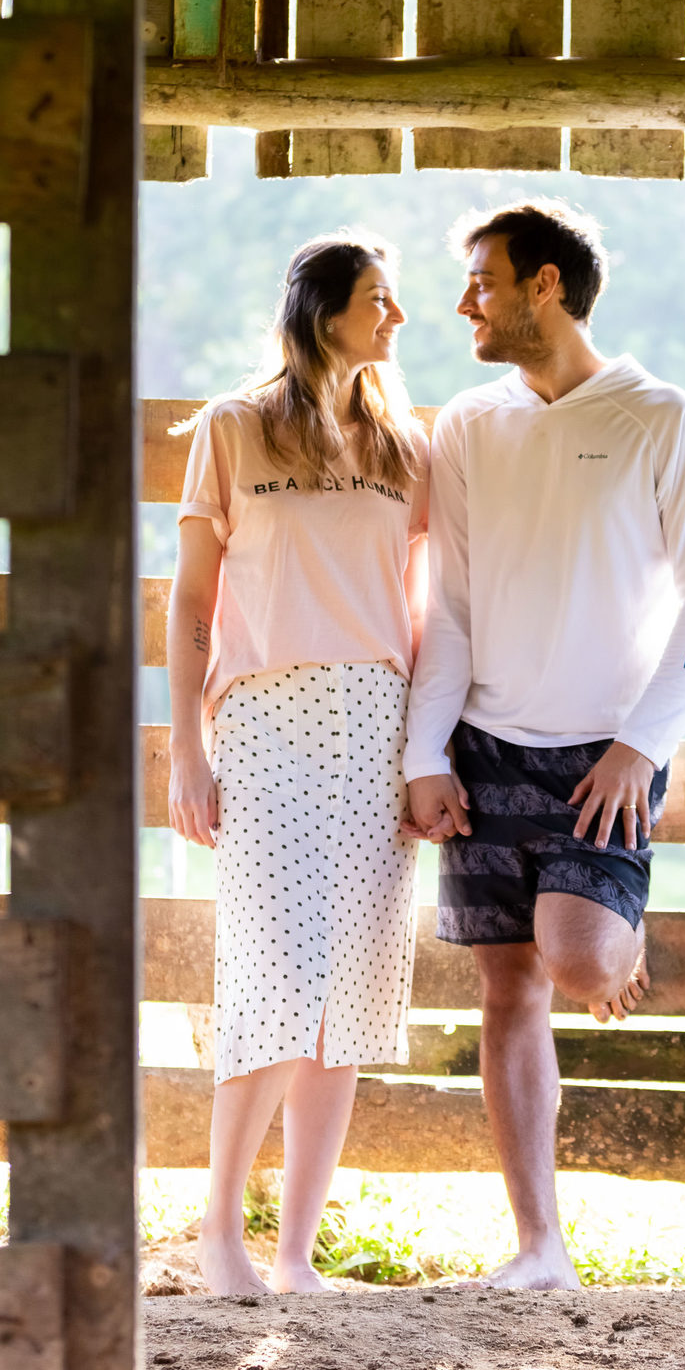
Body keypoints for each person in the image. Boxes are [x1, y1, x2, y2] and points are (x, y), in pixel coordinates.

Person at [404, 198, 685, 1291]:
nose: (466, 304)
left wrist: (643, 746)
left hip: (606, 756)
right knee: (510, 987)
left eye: (484, 281)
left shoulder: (659, 415)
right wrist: (426, 754)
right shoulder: (469, 423)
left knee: (583, 960)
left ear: (545, 285)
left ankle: (612, 932)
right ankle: (539, 1247)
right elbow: (448, 605)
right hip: (486, 748)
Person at [167, 232, 428, 1295]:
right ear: (323, 311)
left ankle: (295, 1255)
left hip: (377, 724)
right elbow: (192, 601)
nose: (396, 316)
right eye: (378, 298)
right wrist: (187, 748)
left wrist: (427, 749)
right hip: (265, 721)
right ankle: (219, 1233)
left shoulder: (407, 445)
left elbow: (427, 609)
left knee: (348, 991)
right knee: (272, 976)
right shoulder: (232, 428)